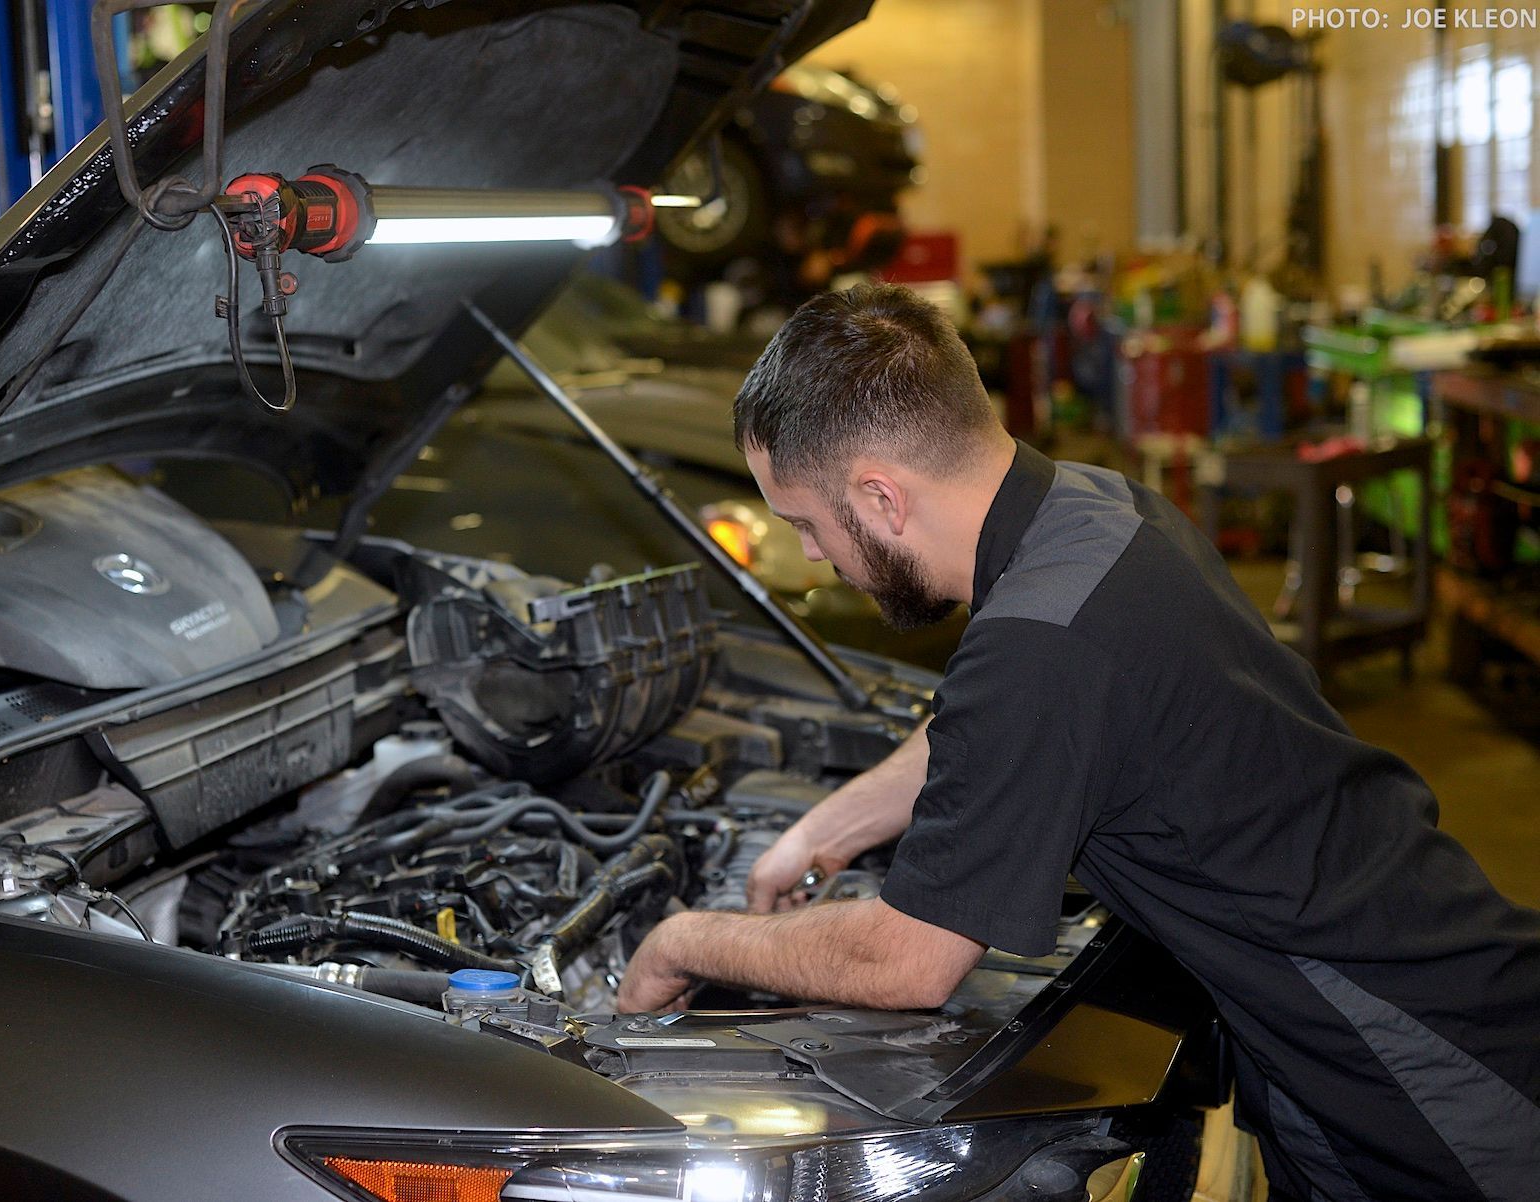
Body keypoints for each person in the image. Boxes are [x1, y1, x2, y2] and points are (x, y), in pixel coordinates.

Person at [615, 282, 1540, 1201]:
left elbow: (906, 961)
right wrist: (830, 826)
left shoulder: (1034, 645)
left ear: (881, 497)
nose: (817, 555)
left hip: (1416, 1076)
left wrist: (686, 941)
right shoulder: (1095, 509)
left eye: (809, 525)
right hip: (1380, 988)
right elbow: (985, 730)